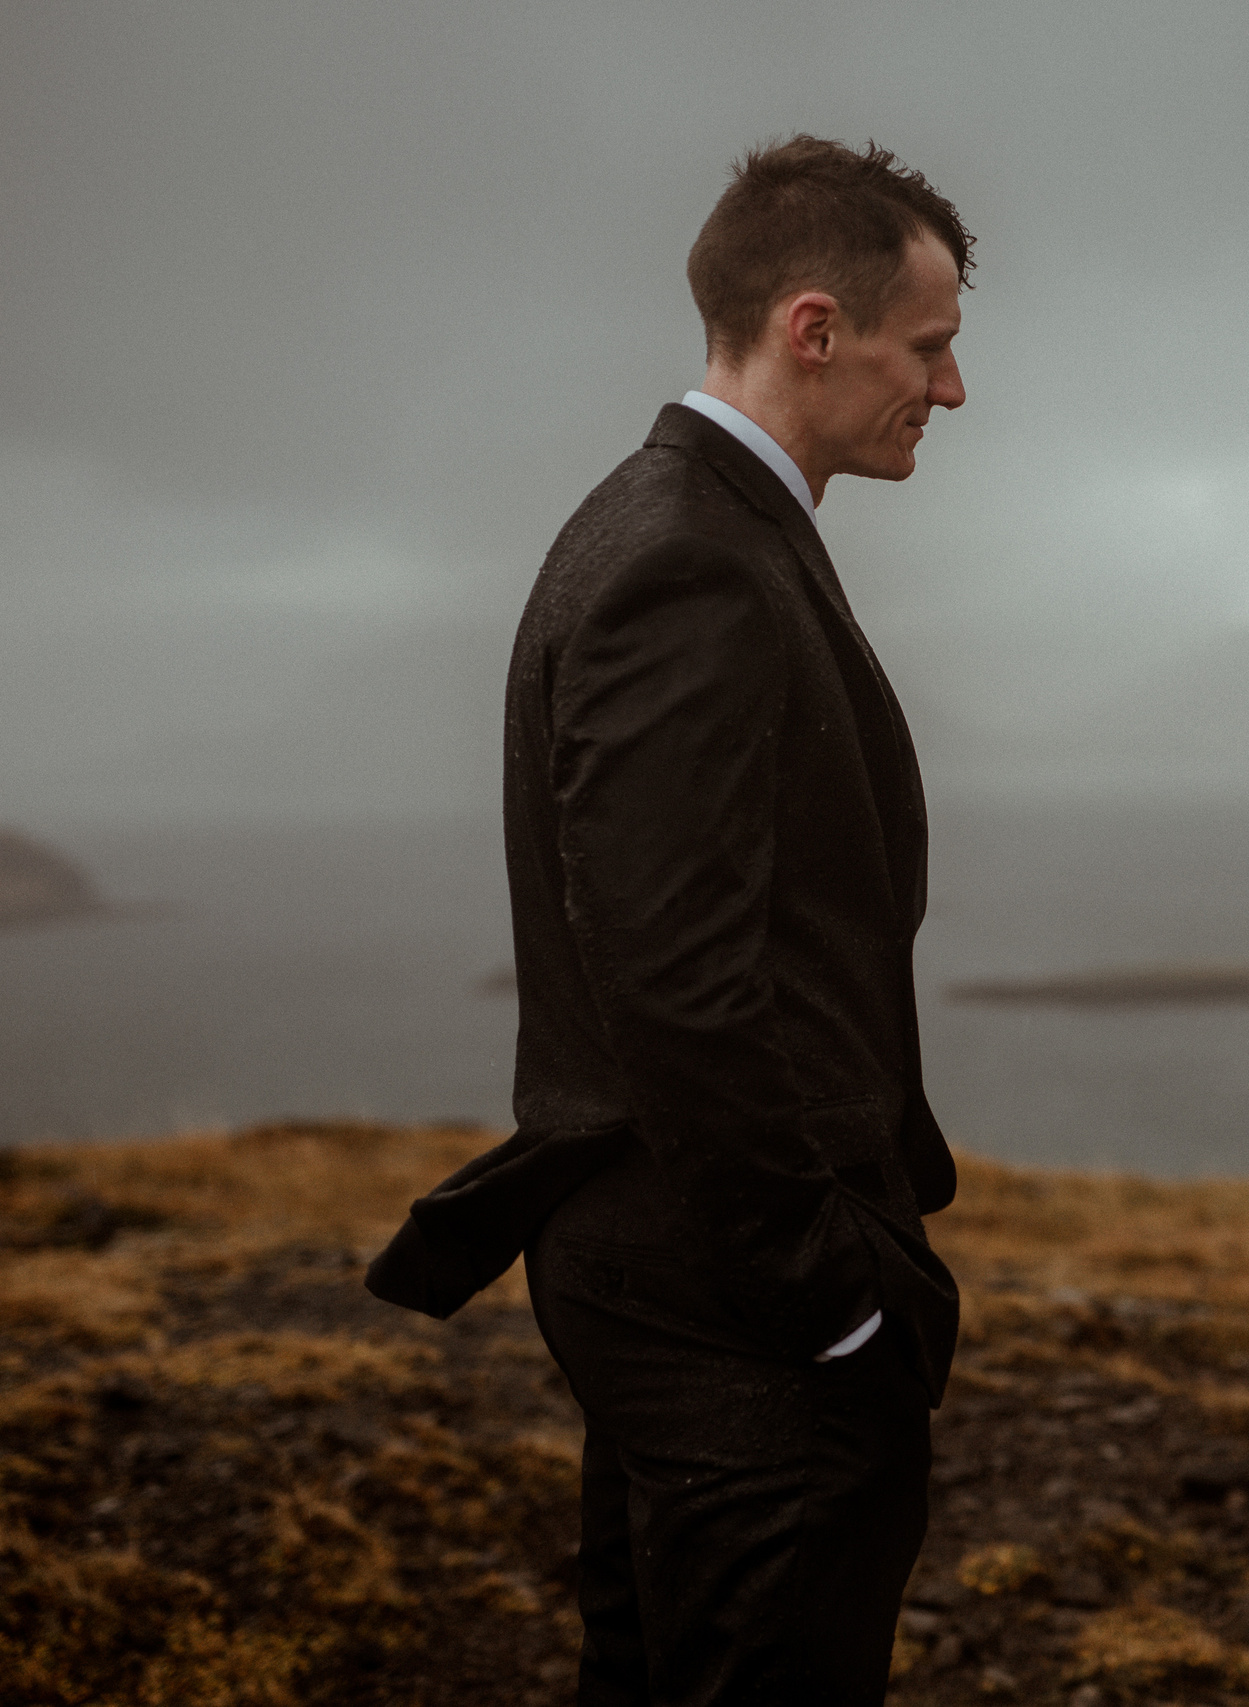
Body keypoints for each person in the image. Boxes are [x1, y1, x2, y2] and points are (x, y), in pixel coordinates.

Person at [364, 135, 972, 1705]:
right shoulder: (688, 564)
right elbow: (678, 982)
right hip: (730, 1297)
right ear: (815, 327)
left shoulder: (671, 525)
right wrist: (829, 1300)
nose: (953, 389)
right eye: (932, 344)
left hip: (679, 1276)